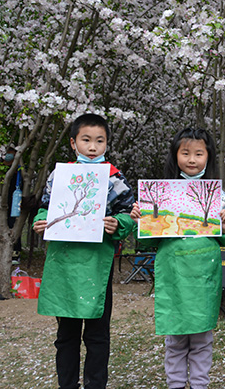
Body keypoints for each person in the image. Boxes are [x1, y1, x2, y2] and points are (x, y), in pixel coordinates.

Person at [33, 113, 135, 389]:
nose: (92, 147)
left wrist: (118, 224)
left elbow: (129, 213)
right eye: (86, 140)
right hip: (64, 264)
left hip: (96, 267)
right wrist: (39, 221)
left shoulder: (114, 178)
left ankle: (95, 385)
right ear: (73, 143)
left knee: (97, 335)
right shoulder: (61, 175)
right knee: (66, 335)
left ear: (106, 144)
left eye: (99, 141)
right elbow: (46, 206)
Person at [130, 128, 225, 389]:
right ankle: (175, 384)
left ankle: (200, 385)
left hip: (203, 273)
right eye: (185, 153)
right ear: (175, 155)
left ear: (208, 157)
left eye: (199, 153)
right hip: (173, 272)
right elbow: (148, 240)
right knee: (175, 338)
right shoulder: (160, 194)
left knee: (202, 338)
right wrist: (140, 222)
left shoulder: (218, 196)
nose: (192, 159)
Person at [0, 146, 23, 262]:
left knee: (13, 228)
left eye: (12, 152)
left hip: (14, 205)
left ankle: (15, 254)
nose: (9, 155)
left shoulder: (18, 169)